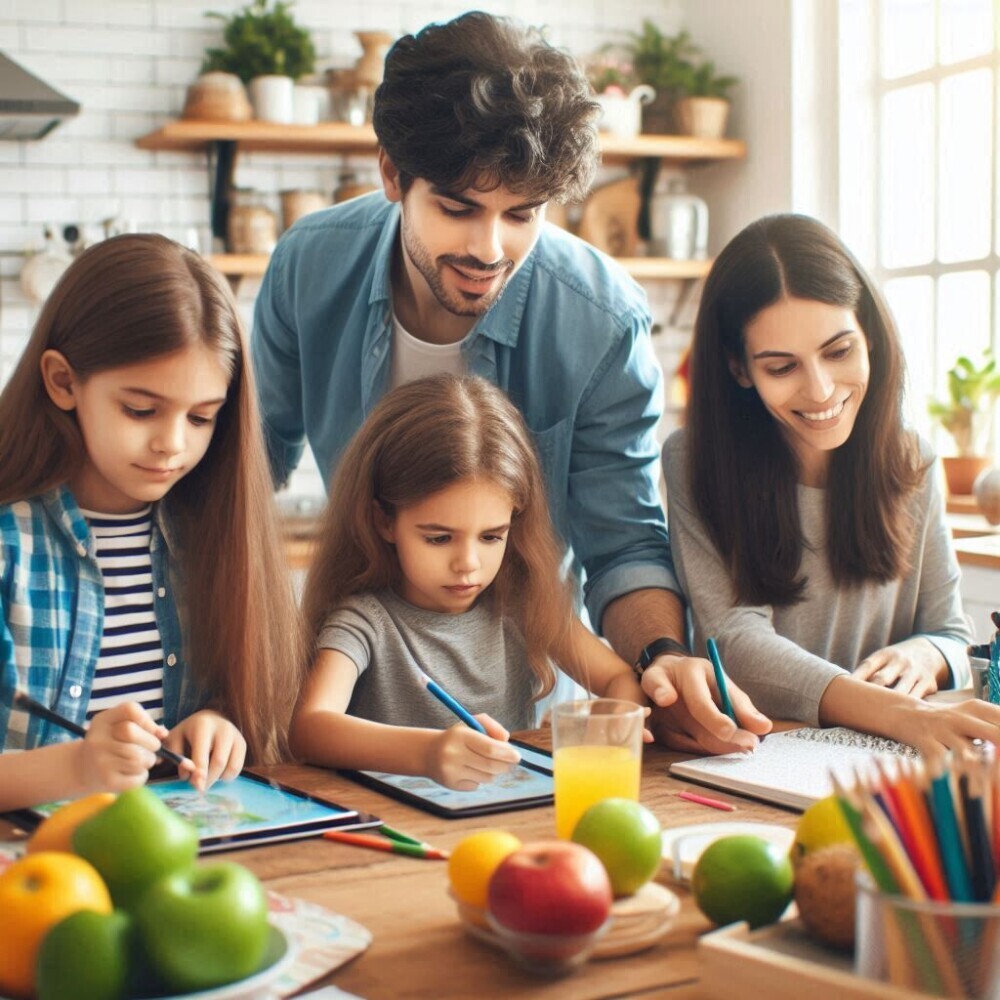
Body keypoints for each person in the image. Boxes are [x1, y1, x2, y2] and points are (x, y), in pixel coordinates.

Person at [252, 11, 769, 754]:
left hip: (527, 723)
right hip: (366, 716)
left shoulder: (600, 319)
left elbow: (622, 541)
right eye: (459, 209)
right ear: (393, 175)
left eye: (522, 213)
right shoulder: (310, 266)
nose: (489, 250)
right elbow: (246, 470)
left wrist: (659, 659)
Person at [663, 213, 1000, 756]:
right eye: (782, 367)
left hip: (890, 755)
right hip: (764, 752)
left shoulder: (914, 460)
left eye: (839, 351)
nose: (820, 390)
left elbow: (951, 633)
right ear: (739, 369)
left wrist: (925, 655)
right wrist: (902, 714)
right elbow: (737, 644)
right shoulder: (693, 460)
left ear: (869, 335)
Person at [0, 234, 305, 810]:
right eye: (140, 410)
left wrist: (215, 725)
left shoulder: (208, 540)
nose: (172, 444)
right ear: (63, 382)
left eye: (201, 417)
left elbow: (227, 718)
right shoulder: (10, 545)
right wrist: (79, 764)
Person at [290, 374, 652, 789]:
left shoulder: (522, 604)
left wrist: (605, 728)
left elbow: (619, 679)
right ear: (384, 521)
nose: (468, 564)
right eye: (439, 538)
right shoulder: (364, 620)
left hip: (514, 821)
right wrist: (427, 754)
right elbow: (309, 727)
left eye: (492, 536)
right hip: (405, 829)